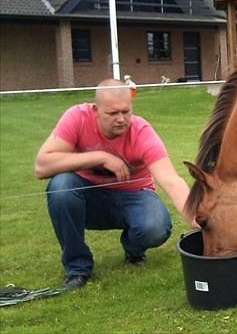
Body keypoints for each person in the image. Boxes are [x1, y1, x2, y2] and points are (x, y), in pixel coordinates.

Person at [34, 79, 196, 290]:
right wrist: (99, 157)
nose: (121, 119)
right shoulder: (77, 118)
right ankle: (78, 268)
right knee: (62, 186)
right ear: (95, 110)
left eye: (126, 112)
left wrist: (195, 216)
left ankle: (133, 247)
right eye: (112, 113)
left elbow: (171, 179)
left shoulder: (141, 132)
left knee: (155, 227)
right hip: (86, 198)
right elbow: (41, 166)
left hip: (133, 196)